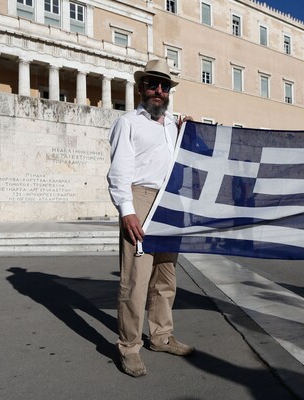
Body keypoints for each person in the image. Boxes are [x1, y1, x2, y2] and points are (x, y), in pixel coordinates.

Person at [107, 59, 194, 378]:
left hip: (170, 202)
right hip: (140, 198)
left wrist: (188, 134)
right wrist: (127, 210)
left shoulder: (173, 125)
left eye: (165, 86)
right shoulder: (128, 122)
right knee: (135, 280)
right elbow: (118, 171)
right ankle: (129, 347)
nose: (159, 90)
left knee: (165, 277)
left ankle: (160, 336)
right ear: (141, 87)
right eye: (153, 84)